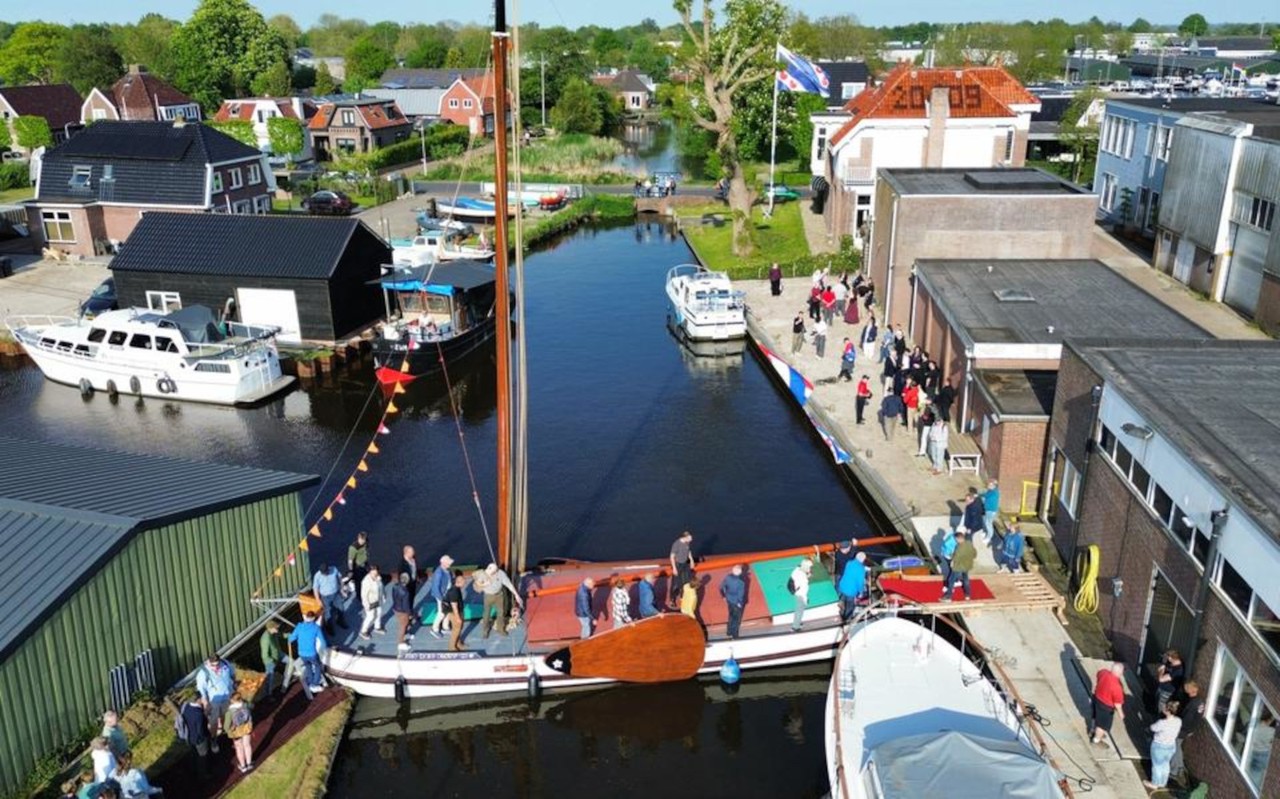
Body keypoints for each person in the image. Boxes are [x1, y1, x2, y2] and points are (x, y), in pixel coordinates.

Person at [473, 562, 524, 639]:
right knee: (486, 614)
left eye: (492, 573)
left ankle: (500, 629)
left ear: (495, 571)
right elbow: (476, 587)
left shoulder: (501, 574)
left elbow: (509, 584)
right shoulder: (483, 574)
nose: (490, 574)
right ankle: (485, 630)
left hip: (499, 596)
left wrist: (516, 595)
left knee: (501, 612)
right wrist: (483, 584)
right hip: (488, 596)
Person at [195, 654, 234, 751]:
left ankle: (225, 733)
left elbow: (232, 675)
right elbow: (202, 690)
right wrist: (206, 703)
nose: (216, 666)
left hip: (227, 698)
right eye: (213, 665)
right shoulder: (203, 673)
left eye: (217, 664)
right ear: (209, 662)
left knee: (226, 717)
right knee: (214, 723)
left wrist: (233, 688)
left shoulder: (226, 664)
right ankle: (214, 739)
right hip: (213, 701)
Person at [288, 610, 327, 698]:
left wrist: (290, 637)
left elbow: (291, 638)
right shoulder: (316, 627)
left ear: (305, 617)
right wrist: (324, 650)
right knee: (317, 666)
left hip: (301, 653)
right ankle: (314, 684)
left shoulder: (299, 626)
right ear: (313, 618)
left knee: (308, 666)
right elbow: (323, 641)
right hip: (312, 653)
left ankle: (310, 681)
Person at [1145, 701, 1182, 791]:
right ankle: (1163, 782)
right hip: (1171, 746)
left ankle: (1155, 783)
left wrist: (1149, 727)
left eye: (1165, 707)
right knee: (1165, 764)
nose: (1163, 708)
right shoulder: (1178, 721)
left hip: (1159, 746)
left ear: (1168, 711)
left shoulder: (1162, 722)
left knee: (1157, 766)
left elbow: (1153, 728)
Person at [1171, 681, 1204, 779]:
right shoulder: (1200, 702)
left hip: (1183, 729)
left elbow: (1187, 719)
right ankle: (1180, 766)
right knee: (1178, 746)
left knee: (1175, 747)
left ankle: (1175, 770)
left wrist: (1177, 725)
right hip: (1190, 729)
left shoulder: (1192, 703)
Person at [1089, 662, 1127, 746]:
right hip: (1106, 707)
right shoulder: (1117, 687)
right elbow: (1118, 704)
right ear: (1120, 673)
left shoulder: (1104, 673)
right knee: (1101, 725)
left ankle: (1092, 730)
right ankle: (1096, 740)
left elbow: (1098, 674)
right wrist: (1121, 714)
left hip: (1096, 698)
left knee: (1095, 716)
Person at [176, 696, 209, 781]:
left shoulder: (186, 707)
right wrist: (204, 738)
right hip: (199, 739)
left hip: (188, 736)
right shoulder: (198, 714)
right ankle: (203, 775)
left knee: (193, 754)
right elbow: (200, 730)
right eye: (201, 698)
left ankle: (192, 771)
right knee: (202, 756)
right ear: (198, 700)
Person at [223, 692, 254, 774]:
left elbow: (226, 726)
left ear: (231, 700)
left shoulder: (229, 712)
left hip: (236, 732)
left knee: (239, 748)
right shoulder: (245, 705)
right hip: (246, 728)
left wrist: (228, 731)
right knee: (247, 745)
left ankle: (243, 767)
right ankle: (249, 763)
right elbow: (252, 706)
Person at [940, 530, 975, 601]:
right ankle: (967, 595)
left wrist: (953, 561)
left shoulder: (958, 547)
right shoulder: (968, 543)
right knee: (965, 578)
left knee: (951, 579)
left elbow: (955, 556)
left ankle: (948, 596)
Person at [428, 554, 455, 638]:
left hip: (447, 594)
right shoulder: (439, 573)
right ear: (443, 563)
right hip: (441, 595)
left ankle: (445, 627)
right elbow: (435, 587)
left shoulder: (447, 570)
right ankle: (434, 629)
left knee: (447, 610)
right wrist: (441, 598)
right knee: (442, 612)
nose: (450, 564)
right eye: (448, 562)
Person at [311, 563, 342, 634]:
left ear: (328, 569)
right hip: (325, 597)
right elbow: (315, 588)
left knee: (341, 608)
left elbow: (339, 577)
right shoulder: (317, 576)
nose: (324, 574)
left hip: (335, 594)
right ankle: (329, 628)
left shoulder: (334, 569)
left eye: (325, 572)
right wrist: (318, 600)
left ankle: (340, 621)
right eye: (323, 573)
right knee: (327, 613)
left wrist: (341, 588)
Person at [259, 621, 288, 696]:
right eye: (276, 627)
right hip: (270, 661)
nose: (277, 628)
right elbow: (264, 654)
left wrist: (291, 635)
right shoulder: (266, 639)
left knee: (291, 662)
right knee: (270, 679)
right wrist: (271, 661)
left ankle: (286, 680)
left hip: (278, 654)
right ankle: (269, 694)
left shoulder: (274, 633)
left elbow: (282, 635)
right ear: (270, 628)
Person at [838, 552, 868, 622]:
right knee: (849, 608)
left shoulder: (849, 563)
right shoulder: (861, 569)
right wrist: (861, 593)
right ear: (863, 560)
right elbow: (860, 583)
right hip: (850, 592)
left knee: (841, 602)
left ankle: (840, 613)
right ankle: (846, 622)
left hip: (842, 586)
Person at [669, 530, 695, 608]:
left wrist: (691, 560)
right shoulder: (676, 544)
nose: (691, 539)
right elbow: (672, 556)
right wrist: (674, 568)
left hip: (685, 564)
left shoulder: (687, 543)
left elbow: (688, 551)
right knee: (675, 584)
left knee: (686, 581)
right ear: (685, 537)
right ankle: (672, 599)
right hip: (678, 565)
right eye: (690, 538)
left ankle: (682, 597)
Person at [720, 564, 746, 639]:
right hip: (736, 601)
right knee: (737, 618)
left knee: (731, 615)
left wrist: (723, 596)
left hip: (729, 599)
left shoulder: (728, 577)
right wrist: (740, 603)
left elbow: (721, 587)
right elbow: (740, 594)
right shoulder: (741, 582)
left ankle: (729, 631)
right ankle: (735, 634)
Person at [358, 564, 385, 639]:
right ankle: (363, 631)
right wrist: (366, 605)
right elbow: (364, 595)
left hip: (378, 600)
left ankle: (377, 627)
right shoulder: (366, 581)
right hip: (370, 602)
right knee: (370, 616)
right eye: (373, 573)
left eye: (376, 573)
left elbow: (381, 588)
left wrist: (383, 596)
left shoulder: (378, 578)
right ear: (369, 572)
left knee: (379, 613)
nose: (375, 575)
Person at [789, 557, 813, 632]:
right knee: (799, 610)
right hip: (801, 595)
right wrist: (805, 599)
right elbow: (803, 589)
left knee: (799, 609)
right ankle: (795, 627)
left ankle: (798, 622)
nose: (810, 569)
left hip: (798, 594)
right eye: (809, 567)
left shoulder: (797, 571)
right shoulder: (801, 576)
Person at [445, 572, 467, 652]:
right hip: (454, 613)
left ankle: (458, 643)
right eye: (464, 582)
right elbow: (454, 606)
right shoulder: (454, 592)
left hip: (459, 611)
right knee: (456, 630)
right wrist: (457, 617)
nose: (465, 583)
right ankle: (452, 647)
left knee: (459, 629)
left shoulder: (457, 589)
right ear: (459, 582)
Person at [391, 572, 413, 651]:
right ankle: (400, 643)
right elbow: (406, 605)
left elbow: (393, 596)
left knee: (402, 625)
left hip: (396, 608)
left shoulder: (395, 586)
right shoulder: (405, 592)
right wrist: (409, 614)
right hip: (403, 612)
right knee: (403, 626)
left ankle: (405, 635)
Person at [980, 479, 1001, 544]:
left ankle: (989, 537)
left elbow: (986, 496)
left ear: (994, 485)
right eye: (988, 484)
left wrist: (979, 495)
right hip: (987, 510)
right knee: (986, 521)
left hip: (991, 511)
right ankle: (986, 532)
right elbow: (985, 494)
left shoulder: (995, 492)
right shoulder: (990, 490)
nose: (988, 485)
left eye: (990, 484)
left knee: (988, 524)